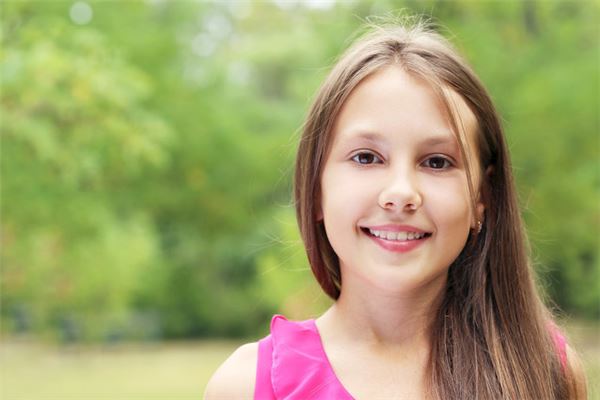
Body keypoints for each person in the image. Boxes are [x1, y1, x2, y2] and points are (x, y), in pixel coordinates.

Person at [205, 18, 587, 400]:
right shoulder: (246, 386)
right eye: (366, 157)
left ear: (480, 198)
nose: (401, 193)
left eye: (436, 162)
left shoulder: (544, 371)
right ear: (316, 188)